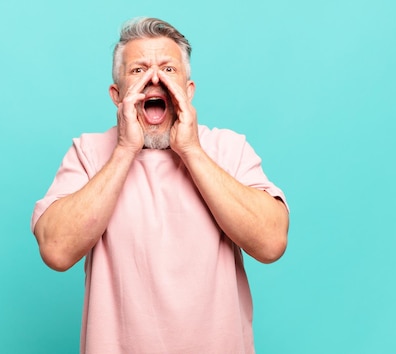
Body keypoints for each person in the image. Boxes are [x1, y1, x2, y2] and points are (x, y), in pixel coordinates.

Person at [31, 17, 289, 354]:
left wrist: (191, 151)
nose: (155, 80)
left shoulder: (228, 148)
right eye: (138, 71)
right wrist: (125, 149)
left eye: (168, 69)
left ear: (189, 90)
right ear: (116, 94)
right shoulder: (89, 152)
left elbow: (271, 243)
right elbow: (56, 250)